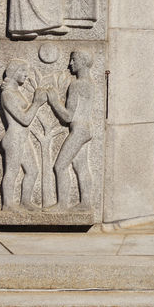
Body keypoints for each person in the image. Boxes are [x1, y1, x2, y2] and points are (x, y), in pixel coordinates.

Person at [45, 49, 100, 210]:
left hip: (79, 130)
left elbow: (68, 116)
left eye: (73, 60)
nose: (70, 64)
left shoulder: (76, 85)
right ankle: (85, 203)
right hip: (86, 129)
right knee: (80, 166)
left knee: (60, 166)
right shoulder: (90, 83)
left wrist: (54, 101)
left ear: (82, 62)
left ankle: (62, 204)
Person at [0, 59, 47, 210]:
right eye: (23, 71)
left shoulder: (16, 92)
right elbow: (24, 119)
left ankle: (25, 202)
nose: (26, 75)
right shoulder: (7, 94)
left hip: (22, 139)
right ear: (13, 72)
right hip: (14, 139)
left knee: (32, 171)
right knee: (12, 172)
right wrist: (37, 103)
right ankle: (7, 205)